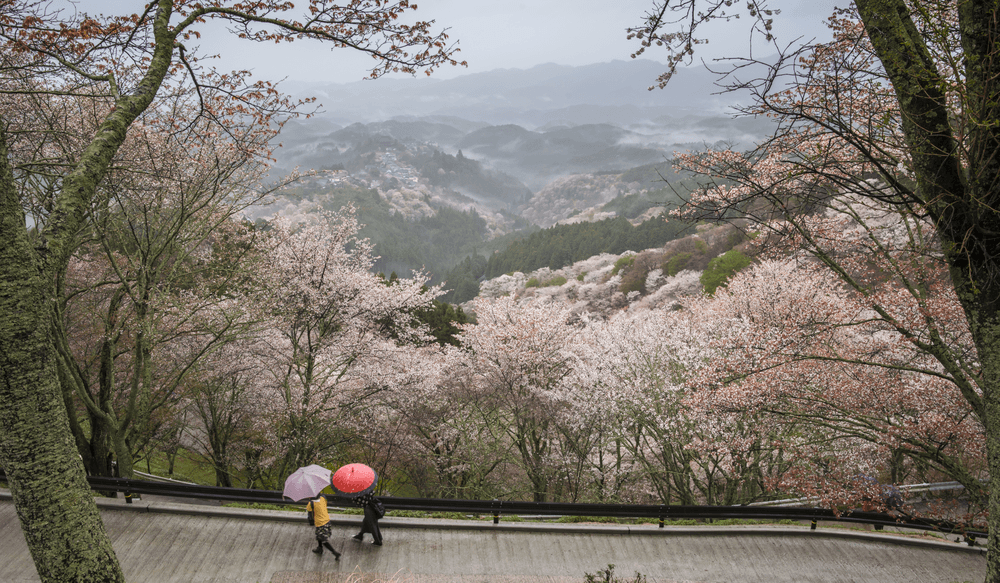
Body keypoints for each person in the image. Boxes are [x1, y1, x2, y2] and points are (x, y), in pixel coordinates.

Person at [306, 494, 341, 559]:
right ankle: (320, 548)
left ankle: (335, 552)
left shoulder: (310, 504)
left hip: (320, 523)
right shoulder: (323, 498)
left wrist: (311, 522)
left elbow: (310, 515)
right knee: (319, 535)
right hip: (327, 521)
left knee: (323, 540)